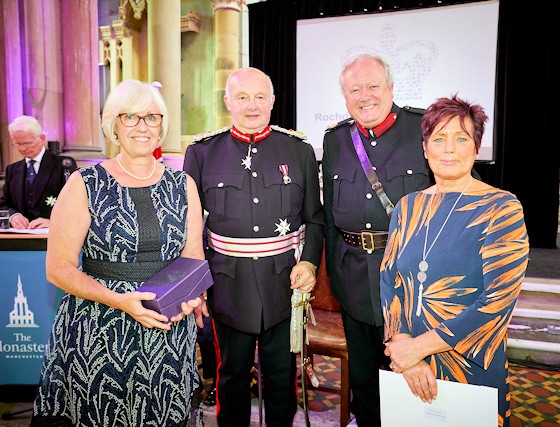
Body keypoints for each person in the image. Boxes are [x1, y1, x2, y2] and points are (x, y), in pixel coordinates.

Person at [31, 79, 208, 427]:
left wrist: (191, 297)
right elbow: (58, 268)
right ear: (113, 125)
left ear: (163, 125)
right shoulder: (84, 183)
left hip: (167, 333)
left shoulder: (182, 184)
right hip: (98, 330)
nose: (143, 127)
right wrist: (120, 300)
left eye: (153, 117)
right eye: (131, 117)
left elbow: (193, 258)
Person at [183, 67, 324, 427]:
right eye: (242, 97)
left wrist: (308, 264)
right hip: (227, 281)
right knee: (231, 375)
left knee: (281, 378)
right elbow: (191, 226)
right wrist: (196, 282)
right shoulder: (202, 153)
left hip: (284, 281)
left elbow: (315, 218)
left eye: (260, 97)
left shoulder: (299, 150)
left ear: (273, 102)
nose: (251, 105)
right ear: (228, 101)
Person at [380, 95, 529, 427]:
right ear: (425, 148)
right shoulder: (407, 207)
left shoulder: (501, 208)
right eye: (439, 138)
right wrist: (404, 347)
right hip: (410, 364)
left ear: (476, 148)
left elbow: (497, 300)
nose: (449, 148)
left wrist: (419, 347)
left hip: (469, 362)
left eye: (461, 138)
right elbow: (389, 280)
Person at [322, 53, 436, 426]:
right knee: (365, 379)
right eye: (355, 89)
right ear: (345, 96)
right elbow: (328, 216)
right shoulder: (337, 140)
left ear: (390, 88)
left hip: (411, 279)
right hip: (353, 278)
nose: (365, 96)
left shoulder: (424, 129)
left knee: (411, 373)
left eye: (373, 86)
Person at [0, 115, 77, 229]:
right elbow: (4, 204)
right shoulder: (12, 170)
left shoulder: (63, 165)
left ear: (42, 138)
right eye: (18, 144)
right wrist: (13, 216)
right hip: (21, 238)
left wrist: (53, 222)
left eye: (27, 143)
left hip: (54, 235)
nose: (22, 148)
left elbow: (75, 202)